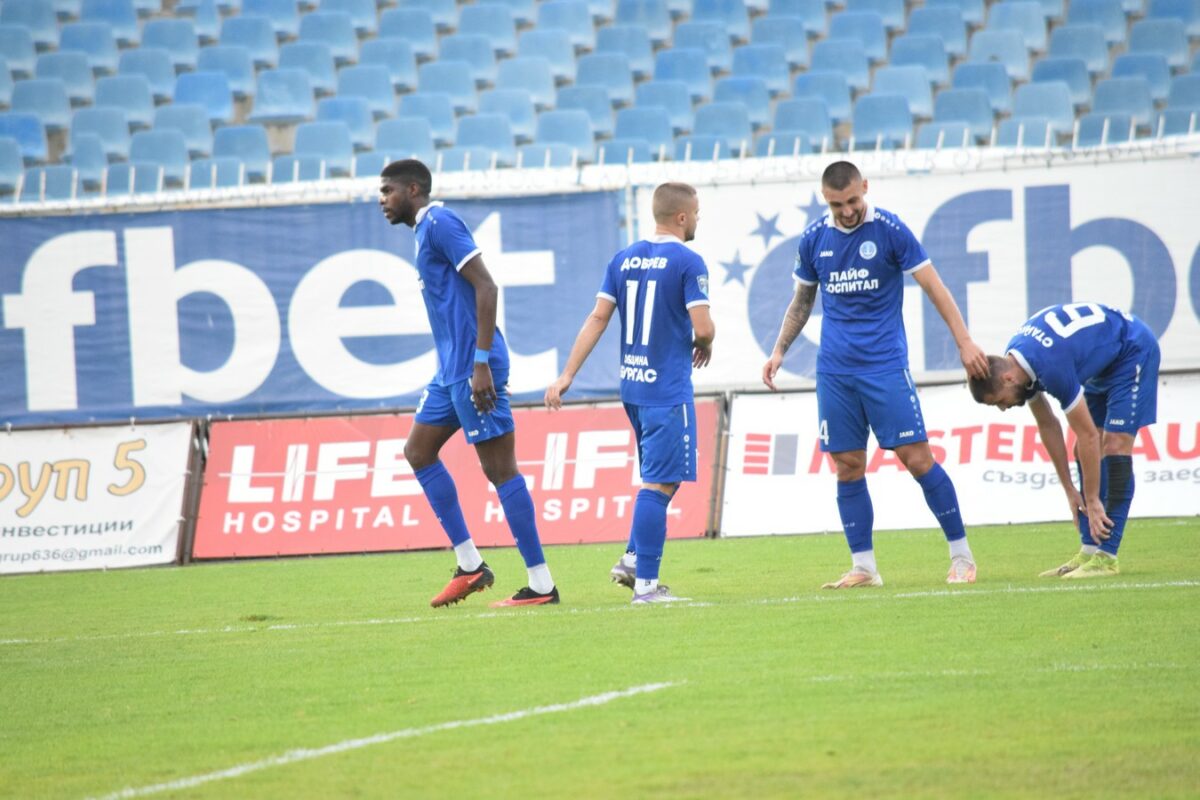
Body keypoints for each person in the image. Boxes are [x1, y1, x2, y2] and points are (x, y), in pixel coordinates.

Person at [762, 161, 989, 589]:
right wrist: (779, 351)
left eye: (853, 200)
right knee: (847, 465)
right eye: (837, 205)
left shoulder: (890, 230)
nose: (847, 211)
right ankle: (864, 567)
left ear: (865, 187)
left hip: (884, 365)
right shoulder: (814, 239)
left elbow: (935, 287)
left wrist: (964, 342)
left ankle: (962, 556)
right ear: (825, 199)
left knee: (917, 459)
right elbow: (802, 301)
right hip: (834, 371)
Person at [379, 159, 558, 608]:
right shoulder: (423, 231)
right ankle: (470, 565)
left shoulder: (441, 223)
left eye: (387, 190)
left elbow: (487, 287)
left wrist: (481, 364)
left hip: (474, 367)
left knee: (500, 470)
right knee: (418, 452)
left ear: (413, 189)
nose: (382, 200)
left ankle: (541, 585)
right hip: (449, 371)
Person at [545, 182, 715, 604]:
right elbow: (703, 326)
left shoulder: (622, 259)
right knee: (659, 483)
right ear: (682, 217)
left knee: (665, 477)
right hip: (667, 389)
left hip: (634, 388)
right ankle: (646, 586)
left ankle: (633, 558)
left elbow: (598, 318)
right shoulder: (689, 261)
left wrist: (567, 375)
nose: (698, 219)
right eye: (696, 213)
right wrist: (706, 342)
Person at [968, 302, 1160, 578]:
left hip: (1132, 350)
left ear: (1008, 379)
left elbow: (1089, 435)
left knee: (1114, 445)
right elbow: (1048, 424)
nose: (1002, 408)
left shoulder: (1050, 366)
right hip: (1101, 364)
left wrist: (1092, 500)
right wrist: (1070, 489)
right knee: (1082, 452)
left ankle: (1107, 556)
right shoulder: (1018, 361)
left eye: (998, 401)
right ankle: (1090, 550)